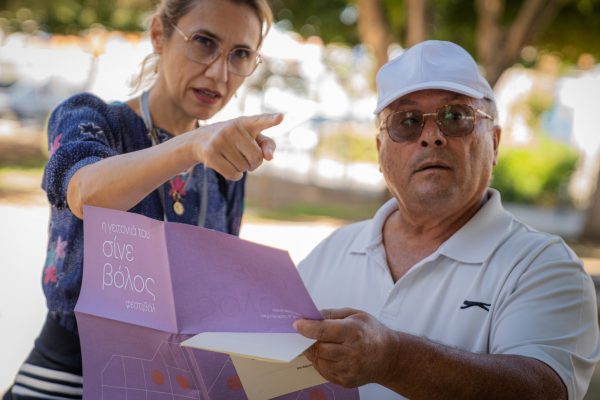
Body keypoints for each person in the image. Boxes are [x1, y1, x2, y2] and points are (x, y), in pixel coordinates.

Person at [3, 0, 280, 399]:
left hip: (163, 385)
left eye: (240, 54)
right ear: (158, 35)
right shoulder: (92, 118)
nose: (220, 73)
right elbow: (85, 192)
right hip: (66, 381)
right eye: (204, 42)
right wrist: (191, 145)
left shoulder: (224, 163)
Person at [293, 40, 600, 400]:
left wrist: (394, 360)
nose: (431, 137)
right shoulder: (331, 251)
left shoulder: (544, 266)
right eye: (407, 122)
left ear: (494, 143)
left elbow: (543, 391)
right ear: (380, 152)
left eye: (456, 117)